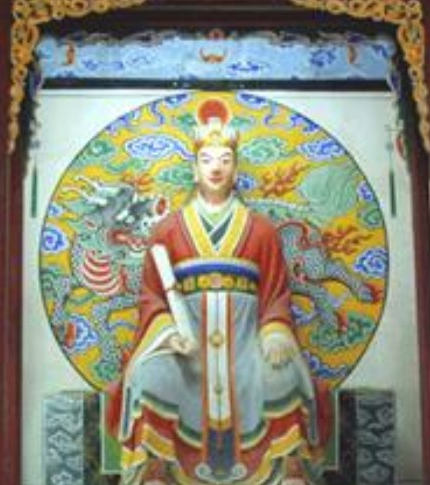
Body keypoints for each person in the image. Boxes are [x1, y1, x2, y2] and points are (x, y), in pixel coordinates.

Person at [108, 98, 330, 485]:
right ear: (194, 169)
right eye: (207, 159)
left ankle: (287, 466)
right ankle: (157, 466)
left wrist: (275, 331)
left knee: (285, 375)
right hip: (186, 344)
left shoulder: (261, 230)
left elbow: (275, 294)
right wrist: (166, 332)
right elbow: (152, 296)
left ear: (236, 169)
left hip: (247, 342)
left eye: (225, 160)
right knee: (152, 374)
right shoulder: (167, 230)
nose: (216, 167)